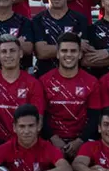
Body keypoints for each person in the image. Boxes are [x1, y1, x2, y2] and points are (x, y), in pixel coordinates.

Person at [40, 32, 103, 160]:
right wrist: (54, 139)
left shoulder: (92, 82)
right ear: (57, 54)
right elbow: (41, 116)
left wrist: (80, 141)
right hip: (51, 141)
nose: (68, 55)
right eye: (64, 51)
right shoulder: (44, 81)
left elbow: (95, 117)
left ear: (80, 54)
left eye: (73, 51)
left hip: (82, 142)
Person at [0, 35, 45, 148]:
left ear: (21, 54)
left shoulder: (33, 84)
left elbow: (38, 119)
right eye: (4, 51)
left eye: (12, 51)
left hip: (24, 145)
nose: (8, 55)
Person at [32, 0, 89, 77]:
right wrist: (74, 47)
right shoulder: (38, 20)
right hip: (44, 78)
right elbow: (42, 52)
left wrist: (50, 48)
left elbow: (84, 54)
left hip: (73, 79)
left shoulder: (80, 20)